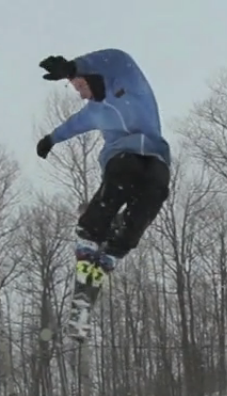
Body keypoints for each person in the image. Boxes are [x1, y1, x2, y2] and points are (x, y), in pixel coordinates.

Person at [35, 49, 172, 341]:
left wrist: (73, 66)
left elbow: (116, 56)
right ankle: (90, 230)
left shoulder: (128, 79)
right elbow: (72, 125)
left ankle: (114, 249)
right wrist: (50, 139)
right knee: (125, 169)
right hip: (121, 155)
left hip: (155, 155)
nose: (82, 95)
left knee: (156, 190)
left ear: (90, 77)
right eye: (76, 90)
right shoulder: (94, 111)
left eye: (80, 87)